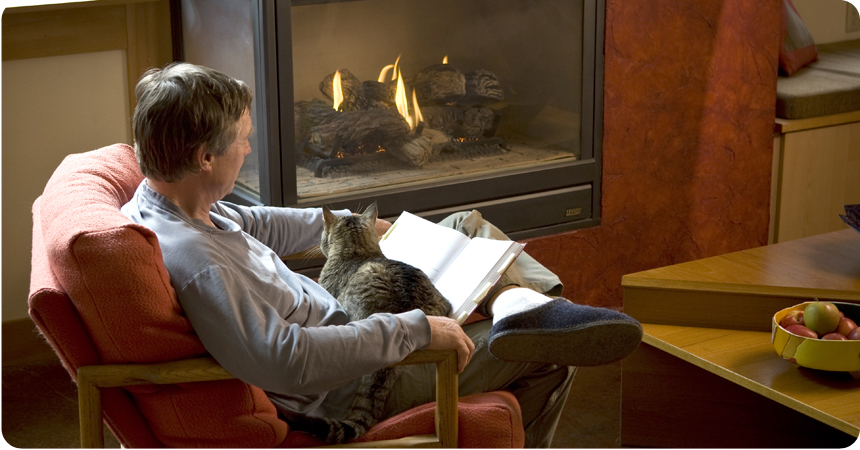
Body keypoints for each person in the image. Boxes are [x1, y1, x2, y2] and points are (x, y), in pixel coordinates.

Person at [121, 62, 642, 448]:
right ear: (204, 156)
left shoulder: (179, 204)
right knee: (549, 349)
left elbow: (259, 221)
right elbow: (283, 359)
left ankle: (518, 304)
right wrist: (414, 330)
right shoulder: (199, 262)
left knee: (469, 224)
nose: (250, 149)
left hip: (348, 319)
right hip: (356, 379)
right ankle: (529, 311)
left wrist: (366, 227)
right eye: (243, 140)